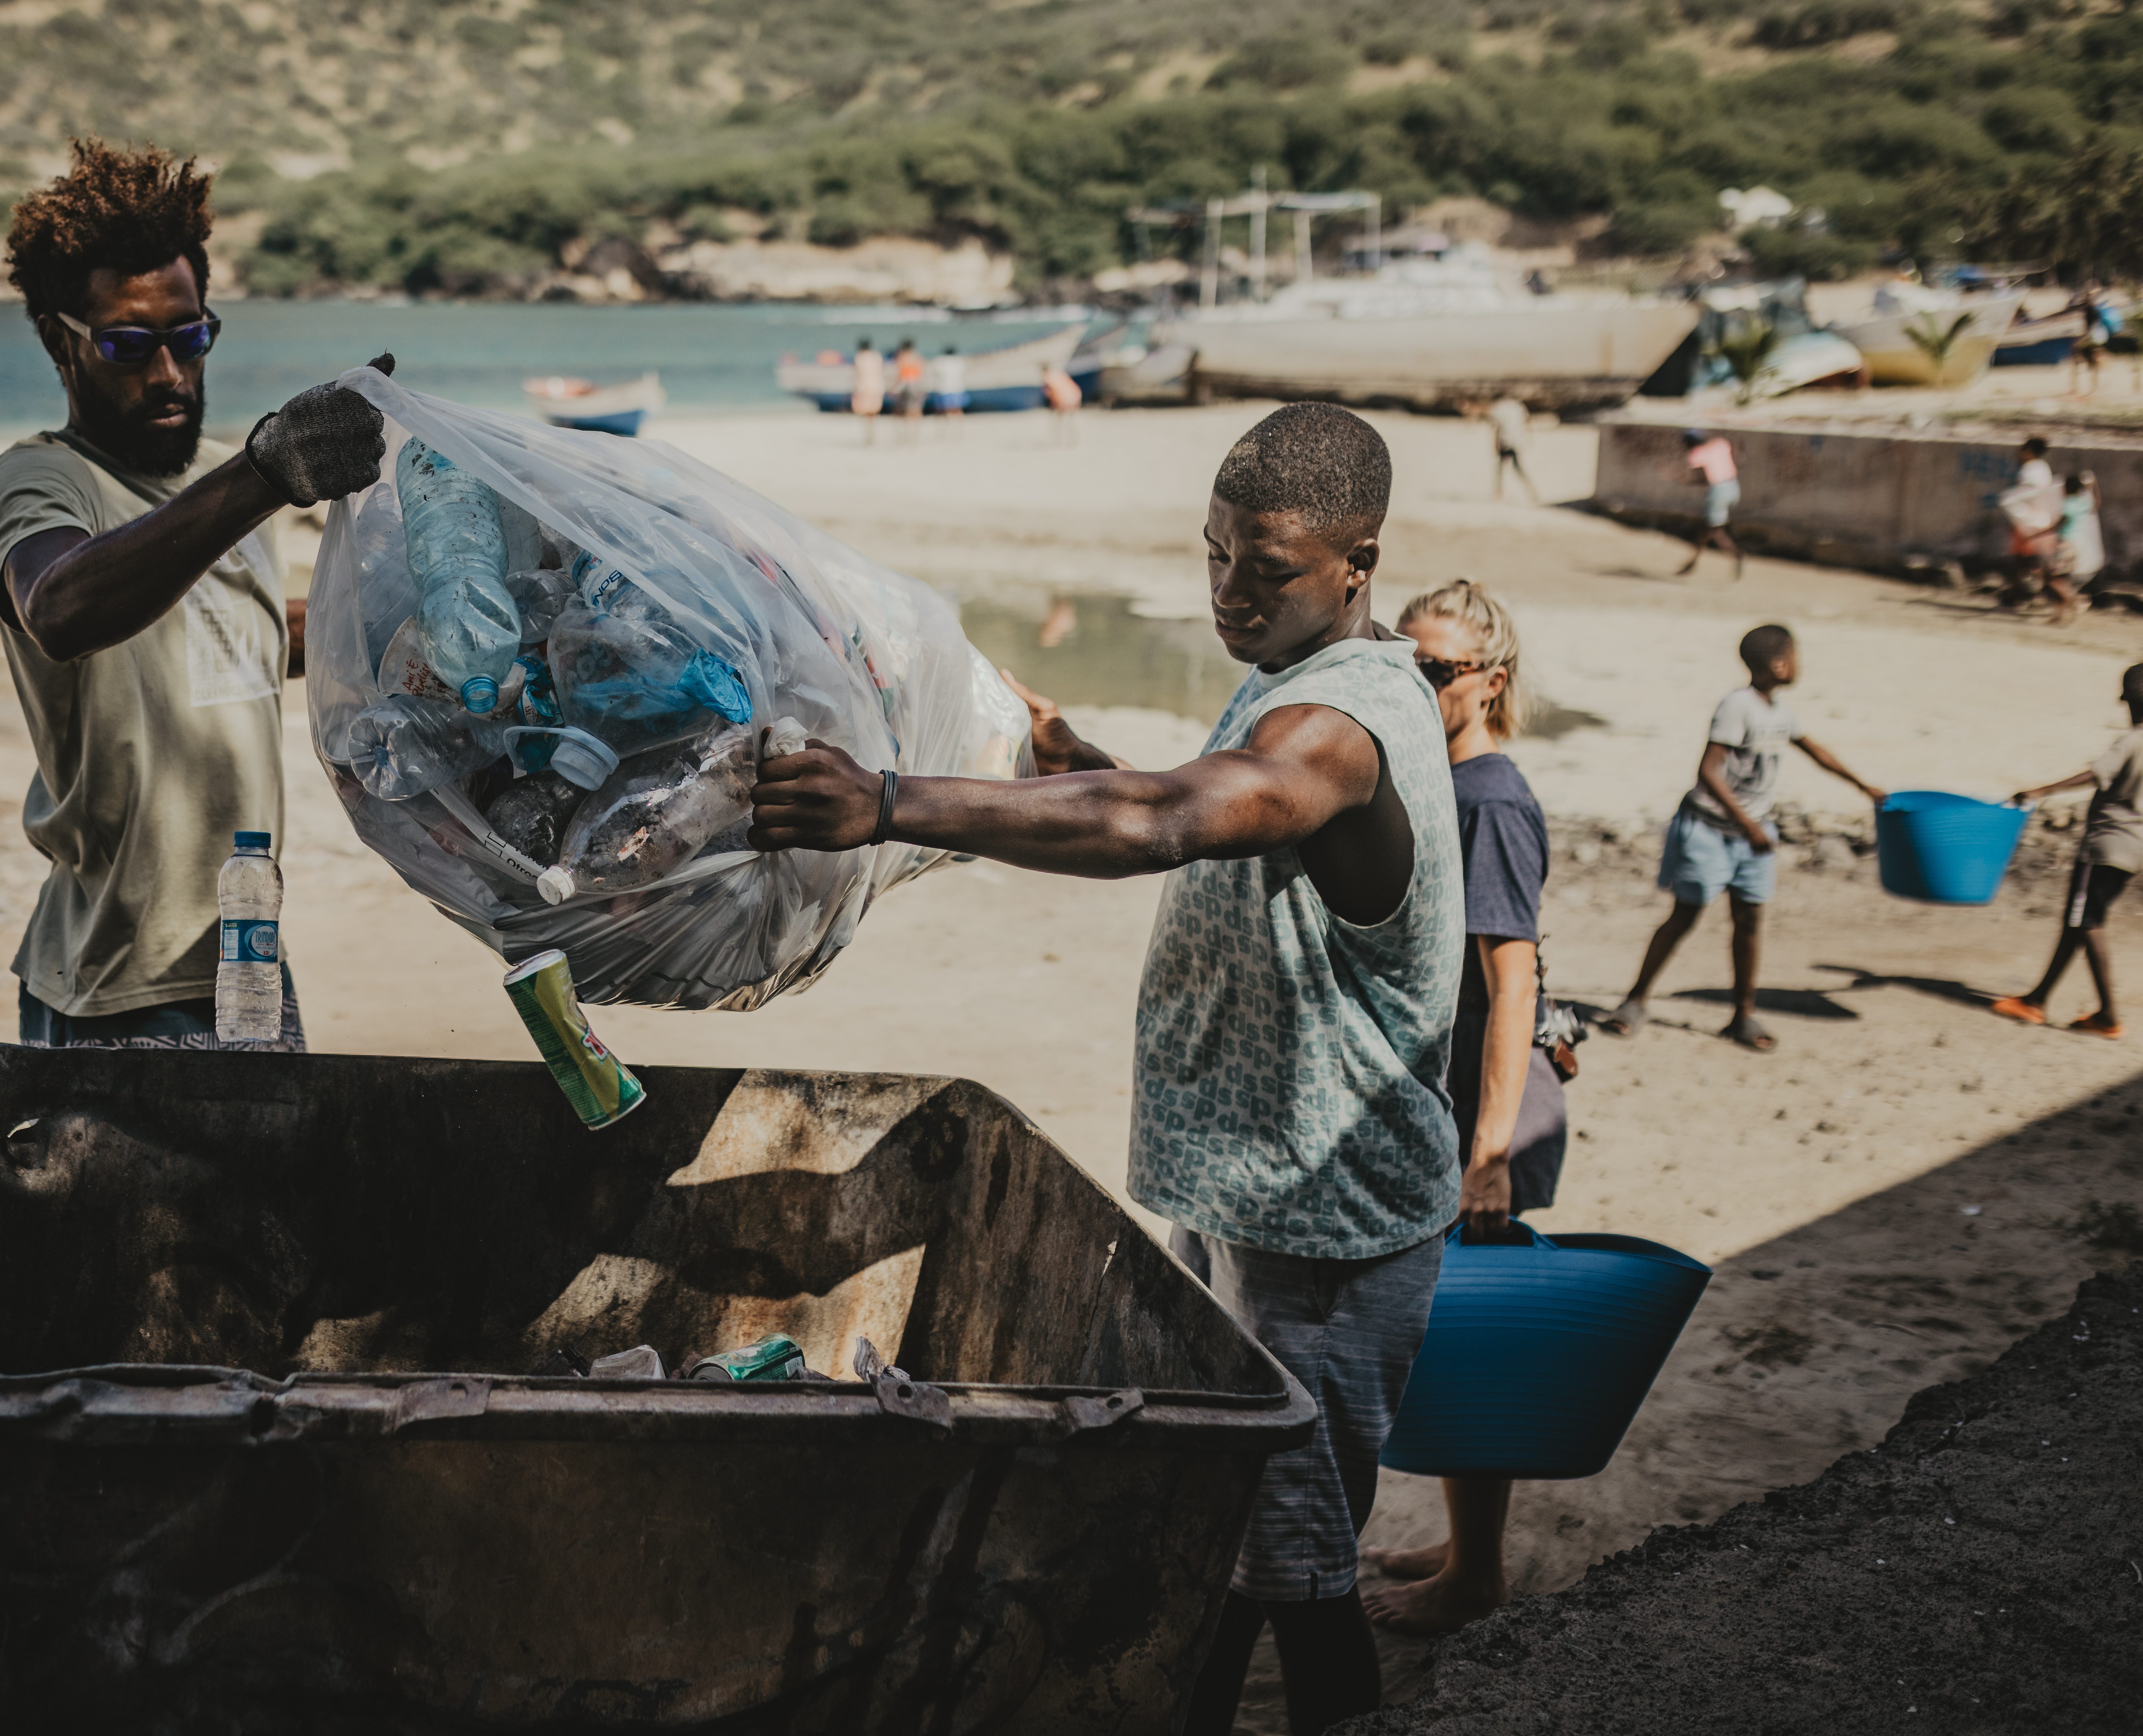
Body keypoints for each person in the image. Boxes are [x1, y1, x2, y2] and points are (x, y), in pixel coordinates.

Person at [751, 403, 1462, 1736]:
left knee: (1301, 1577)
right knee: (1226, 1537)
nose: (1228, 594)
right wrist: (1097, 765)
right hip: (1242, 1188)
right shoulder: (1297, 679)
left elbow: (1174, 819)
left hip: (1318, 1223)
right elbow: (1203, 794)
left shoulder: (1346, 721)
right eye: (1213, 558)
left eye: (1267, 569)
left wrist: (888, 801)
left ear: (1357, 559)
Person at [0, 138, 389, 1050]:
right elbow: (61, 608)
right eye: (130, 346)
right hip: (116, 983)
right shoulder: (44, 481)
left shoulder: (221, 488)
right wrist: (265, 475)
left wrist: (413, 631)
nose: (169, 376)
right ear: (62, 341)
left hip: (244, 964)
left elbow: (241, 636)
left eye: (190, 337)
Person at [1361, 580, 1568, 1637]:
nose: (1416, 680)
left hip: (1484, 1118)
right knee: (1453, 1335)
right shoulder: (1442, 780)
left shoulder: (1489, 795)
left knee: (1464, 1342)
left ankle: (1474, 1577)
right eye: (1403, 660)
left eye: (1436, 668)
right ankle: (1463, 1548)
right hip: (1455, 1105)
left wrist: (1485, 1152)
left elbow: (1514, 982)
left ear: (1489, 680)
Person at [1596, 625, 1885, 1052]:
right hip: (1711, 831)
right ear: (1779, 664)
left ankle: (1742, 1014)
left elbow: (1815, 750)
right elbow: (1708, 772)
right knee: (1685, 916)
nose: (1799, 664)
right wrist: (1749, 827)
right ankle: (1636, 999)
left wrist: (1863, 786)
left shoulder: (1779, 711)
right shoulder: (1737, 707)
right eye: (1795, 656)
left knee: (1749, 922)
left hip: (1754, 835)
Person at [1990, 663, 2143, 1040]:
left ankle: (2108, 1013)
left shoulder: (2131, 741)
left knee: (2087, 922)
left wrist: (2042, 791)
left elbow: (2097, 773)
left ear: (2128, 700)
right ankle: (2036, 999)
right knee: (2076, 922)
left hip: (2105, 845)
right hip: (2135, 848)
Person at [1995, 436, 2061, 603]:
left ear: (2029, 452)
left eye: (2022, 450)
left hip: (2028, 522)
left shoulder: (2030, 470)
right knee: (2030, 561)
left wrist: (2015, 512)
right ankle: (2023, 592)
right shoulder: (2042, 468)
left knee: (2026, 561)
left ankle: (2047, 594)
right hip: (2039, 520)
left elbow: (2024, 497)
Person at [1675, 427, 1742, 579]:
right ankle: (1693, 562)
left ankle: (1737, 556)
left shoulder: (1696, 455)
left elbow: (1703, 480)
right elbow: (1736, 455)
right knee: (1707, 530)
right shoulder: (1720, 444)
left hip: (1719, 492)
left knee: (1715, 531)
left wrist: (1680, 479)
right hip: (1733, 487)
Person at [2043, 470, 2105, 625]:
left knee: (2053, 580)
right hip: (2078, 546)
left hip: (2065, 545)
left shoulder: (2069, 504)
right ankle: (2059, 616)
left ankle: (2077, 602)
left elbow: (2059, 524)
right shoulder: (2083, 502)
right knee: (2063, 580)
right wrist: (2093, 485)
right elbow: (2097, 503)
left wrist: (2037, 534)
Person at [1487, 397, 1539, 505]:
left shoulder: (1499, 408)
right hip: (1516, 441)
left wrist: (1496, 442)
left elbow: (1497, 427)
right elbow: (1527, 422)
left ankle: (1498, 494)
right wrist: (1528, 437)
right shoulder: (1518, 407)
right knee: (1518, 468)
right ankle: (1531, 490)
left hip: (1505, 441)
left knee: (1500, 469)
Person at [851, 336, 886, 446]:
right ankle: (872, 431)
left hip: (863, 387)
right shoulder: (877, 357)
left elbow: (858, 375)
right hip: (877, 386)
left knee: (865, 412)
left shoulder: (859, 358)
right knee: (874, 412)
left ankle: (868, 433)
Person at [891, 336, 927, 442]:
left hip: (907, 384)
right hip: (917, 383)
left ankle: (907, 434)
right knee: (917, 410)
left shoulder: (902, 357)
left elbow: (901, 374)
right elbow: (921, 372)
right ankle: (916, 433)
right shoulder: (918, 357)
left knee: (905, 410)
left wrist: (895, 388)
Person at [1041, 362, 1082, 444]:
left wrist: (1054, 405)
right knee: (1070, 421)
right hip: (1075, 397)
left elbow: (1053, 393)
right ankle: (1072, 440)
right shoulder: (1060, 374)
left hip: (1063, 400)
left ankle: (1059, 441)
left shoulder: (1048, 377)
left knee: (1059, 421)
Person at [931, 343, 967, 426]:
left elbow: (936, 373)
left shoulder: (940, 361)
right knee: (958, 409)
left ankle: (946, 426)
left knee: (944, 410)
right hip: (958, 389)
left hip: (944, 389)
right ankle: (958, 427)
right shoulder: (959, 361)